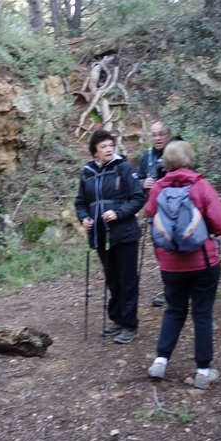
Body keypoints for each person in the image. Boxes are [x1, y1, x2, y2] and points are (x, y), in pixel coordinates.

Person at [143, 141, 221, 389]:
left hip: (170, 264)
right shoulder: (200, 186)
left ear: (166, 163)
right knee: (202, 314)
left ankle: (160, 361)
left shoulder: (158, 187)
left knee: (174, 310)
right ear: (190, 159)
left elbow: (150, 212)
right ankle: (203, 371)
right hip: (202, 262)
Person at [75, 129, 146, 344]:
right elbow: (80, 202)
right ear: (94, 151)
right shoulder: (87, 172)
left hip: (124, 233)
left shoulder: (123, 168)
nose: (108, 149)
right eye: (103, 146)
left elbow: (137, 198)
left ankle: (130, 324)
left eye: (110, 145)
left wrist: (118, 213)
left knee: (127, 279)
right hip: (99, 234)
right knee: (112, 278)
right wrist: (84, 218)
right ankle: (118, 319)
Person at [139, 121, 180, 307]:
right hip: (156, 215)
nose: (157, 138)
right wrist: (142, 183)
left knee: (181, 250)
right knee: (161, 253)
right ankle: (170, 291)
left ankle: (183, 292)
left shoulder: (179, 152)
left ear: (169, 133)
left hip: (180, 214)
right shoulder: (146, 157)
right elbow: (136, 180)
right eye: (154, 134)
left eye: (161, 133)